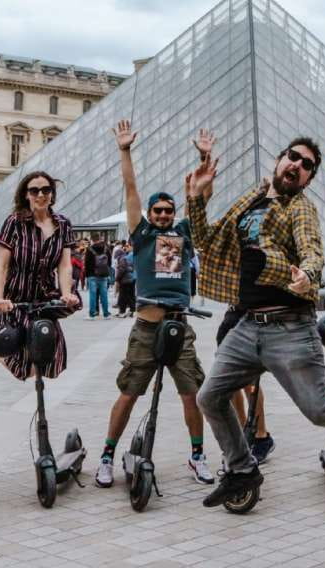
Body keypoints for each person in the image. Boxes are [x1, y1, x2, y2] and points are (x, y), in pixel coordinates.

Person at [188, 136, 325, 507]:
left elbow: (311, 249)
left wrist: (308, 275)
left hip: (290, 327)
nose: (297, 166)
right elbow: (206, 240)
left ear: (308, 179)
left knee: (318, 410)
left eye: (307, 166)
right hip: (248, 324)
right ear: (278, 158)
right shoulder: (249, 201)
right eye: (294, 158)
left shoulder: (300, 208)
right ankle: (241, 469)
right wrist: (196, 196)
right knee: (209, 396)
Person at [93, 120, 217, 489]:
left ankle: (197, 455)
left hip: (180, 326)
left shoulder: (184, 232)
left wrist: (205, 158)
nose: (164, 215)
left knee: (192, 394)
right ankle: (106, 455)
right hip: (146, 327)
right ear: (149, 214)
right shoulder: (143, 234)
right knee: (129, 393)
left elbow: (203, 196)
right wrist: (125, 150)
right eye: (158, 210)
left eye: (169, 210)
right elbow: (130, 188)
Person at [0, 171, 81, 378]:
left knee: (52, 363)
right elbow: (1, 265)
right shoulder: (15, 222)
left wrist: (66, 293)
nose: (40, 195)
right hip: (15, 300)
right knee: (24, 369)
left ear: (52, 194)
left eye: (46, 190)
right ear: (26, 195)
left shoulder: (63, 224)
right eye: (34, 190)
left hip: (45, 299)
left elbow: (64, 266)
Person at [84, 237, 113, 319]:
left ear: (93, 241)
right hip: (103, 275)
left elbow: (87, 263)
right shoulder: (106, 249)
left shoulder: (90, 249)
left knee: (92, 295)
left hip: (92, 275)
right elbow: (109, 262)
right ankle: (106, 314)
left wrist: (87, 275)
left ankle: (92, 314)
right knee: (104, 295)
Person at [114, 242, 136, 318]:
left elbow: (122, 269)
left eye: (127, 246)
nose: (126, 248)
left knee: (123, 296)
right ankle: (132, 310)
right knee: (130, 295)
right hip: (132, 277)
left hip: (126, 278)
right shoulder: (133, 255)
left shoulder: (126, 257)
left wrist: (117, 279)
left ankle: (122, 311)